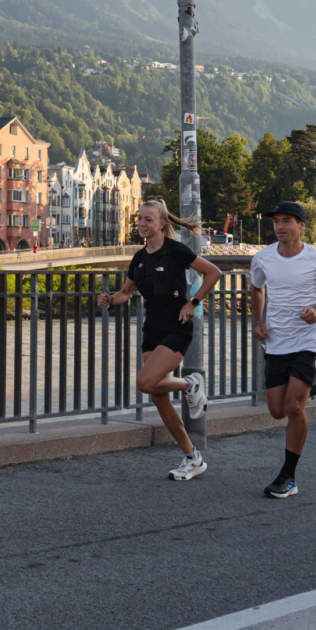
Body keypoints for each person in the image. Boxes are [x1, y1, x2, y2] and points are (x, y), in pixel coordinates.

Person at [98, 198, 224, 480]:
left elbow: (213, 273)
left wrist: (193, 301)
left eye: (148, 220)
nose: (142, 224)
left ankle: (189, 383)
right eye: (139, 219)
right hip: (152, 329)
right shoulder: (139, 258)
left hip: (177, 326)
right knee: (156, 394)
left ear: (161, 224)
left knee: (144, 381)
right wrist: (109, 300)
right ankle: (193, 457)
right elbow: (127, 294)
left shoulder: (176, 251)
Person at [248, 201, 316, 498]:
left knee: (294, 408)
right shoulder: (263, 258)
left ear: (301, 225)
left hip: (307, 341)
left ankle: (288, 476)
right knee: (277, 411)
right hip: (276, 342)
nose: (280, 226)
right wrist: (257, 321)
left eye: (287, 221)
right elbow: (257, 288)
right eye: (276, 221)